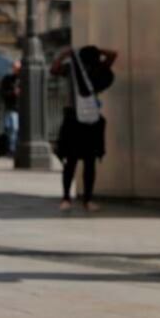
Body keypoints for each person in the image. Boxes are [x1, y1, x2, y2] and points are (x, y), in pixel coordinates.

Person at [53, 46, 115, 212]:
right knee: (85, 162)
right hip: (85, 119)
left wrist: (65, 54)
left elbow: (54, 69)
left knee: (74, 161)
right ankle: (86, 199)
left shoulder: (79, 68)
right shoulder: (82, 69)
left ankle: (68, 198)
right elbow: (112, 55)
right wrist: (98, 51)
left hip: (79, 118)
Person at [0, 60, 22, 156]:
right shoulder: (8, 79)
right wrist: (12, 93)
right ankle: (11, 149)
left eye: (18, 68)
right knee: (12, 129)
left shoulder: (24, 78)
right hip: (11, 108)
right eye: (15, 68)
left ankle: (14, 148)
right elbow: (2, 92)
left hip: (22, 109)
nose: (17, 70)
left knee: (16, 129)